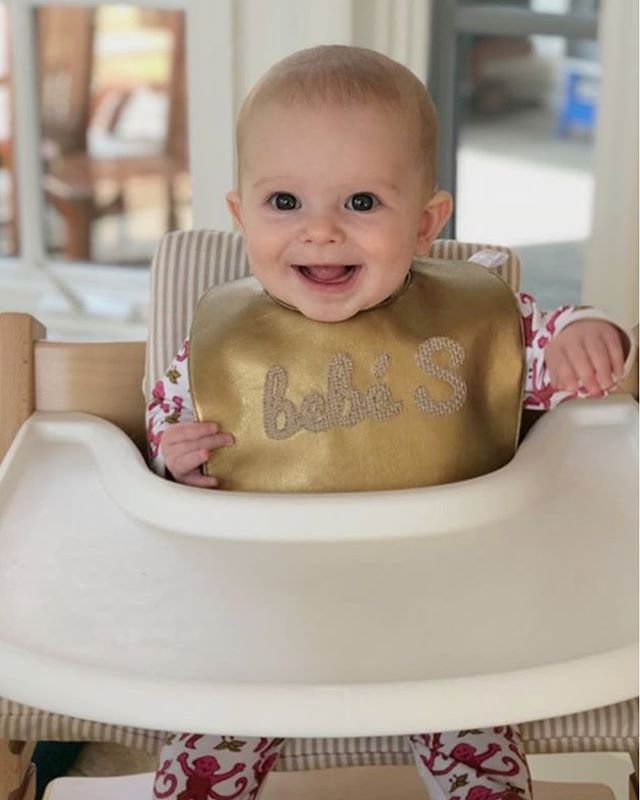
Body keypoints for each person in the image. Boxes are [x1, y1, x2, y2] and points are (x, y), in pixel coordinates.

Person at [146, 45, 633, 800]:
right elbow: (171, 414)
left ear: (425, 223)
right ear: (240, 215)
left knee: (477, 735)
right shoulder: (222, 341)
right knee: (211, 735)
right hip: (270, 604)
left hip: (443, 605)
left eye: (362, 203)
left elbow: (550, 360)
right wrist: (172, 456)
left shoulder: (475, 319)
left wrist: (588, 335)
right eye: (285, 202)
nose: (321, 232)